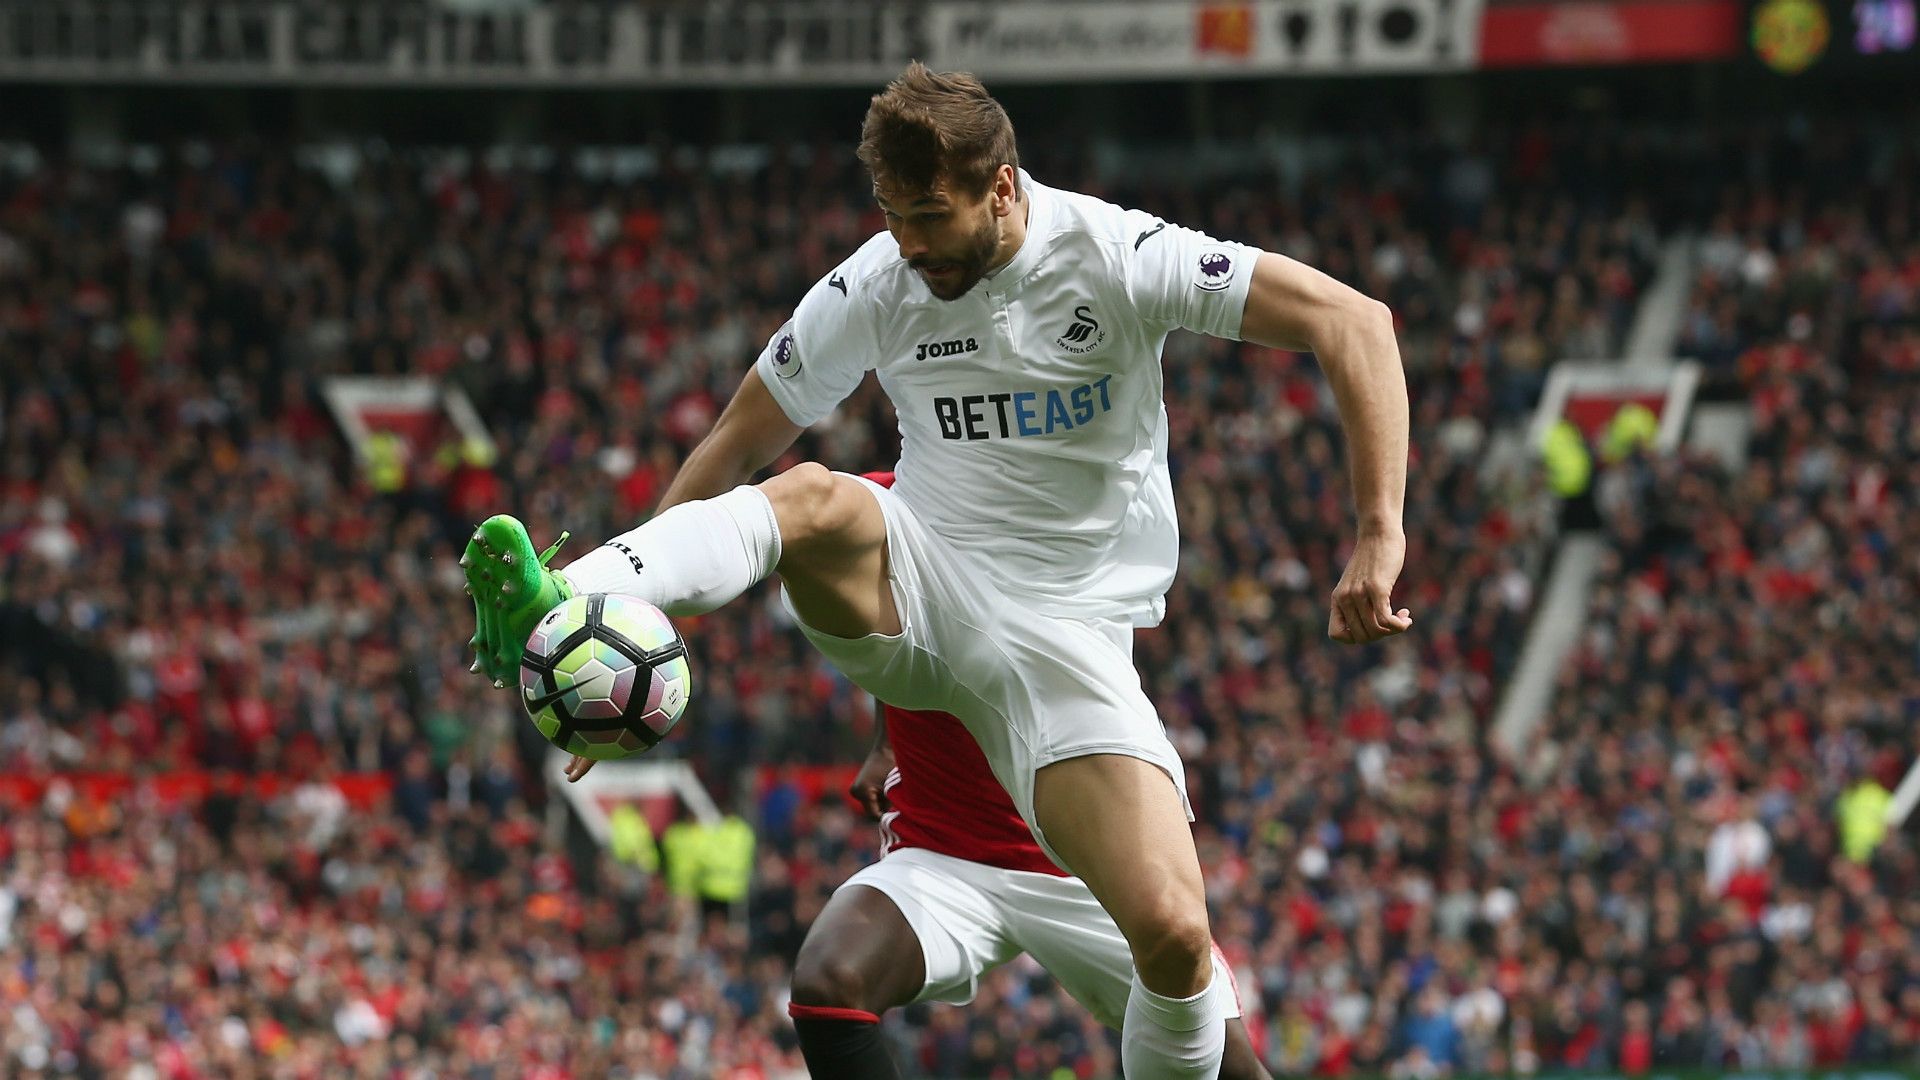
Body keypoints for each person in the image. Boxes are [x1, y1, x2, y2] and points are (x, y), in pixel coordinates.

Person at [464, 62, 1410, 1077]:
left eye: (929, 214)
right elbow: (739, 443)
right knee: (818, 498)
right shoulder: (877, 282)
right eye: (890, 213)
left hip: (1062, 633)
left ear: (1001, 187)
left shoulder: (1117, 256)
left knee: (1176, 936)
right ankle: (579, 592)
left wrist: (1378, 530)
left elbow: (1353, 321)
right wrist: (610, 648)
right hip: (927, 573)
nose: (909, 242)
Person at [792, 691, 1273, 1080]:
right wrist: (885, 742)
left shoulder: (1073, 575)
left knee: (1230, 1066)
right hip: (938, 847)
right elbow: (882, 624)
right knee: (829, 981)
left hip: (1079, 862)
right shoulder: (904, 568)